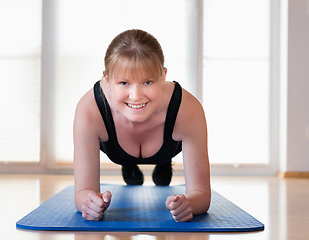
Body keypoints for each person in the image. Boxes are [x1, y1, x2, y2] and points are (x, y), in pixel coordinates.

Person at [73, 29, 211, 222]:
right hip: (117, 147)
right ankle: (128, 163)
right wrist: (90, 202)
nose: (136, 95)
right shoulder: (90, 109)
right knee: (130, 170)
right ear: (107, 79)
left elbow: (201, 194)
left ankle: (164, 163)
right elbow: (82, 192)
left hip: (167, 146)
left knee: (162, 171)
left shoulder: (187, 109)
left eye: (147, 82)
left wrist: (189, 204)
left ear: (163, 77)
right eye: (123, 83)